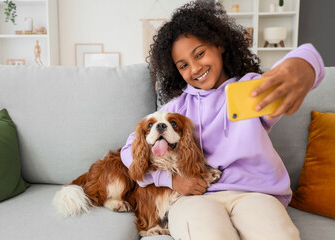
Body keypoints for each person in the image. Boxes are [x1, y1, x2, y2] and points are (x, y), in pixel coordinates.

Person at [121, 2, 325, 240]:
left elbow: (307, 56)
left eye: (200, 54)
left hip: (256, 194)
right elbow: (129, 151)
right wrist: (171, 180)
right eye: (184, 65)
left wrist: (304, 66)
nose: (195, 68)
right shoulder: (175, 109)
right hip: (196, 198)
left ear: (218, 44)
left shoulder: (248, 90)